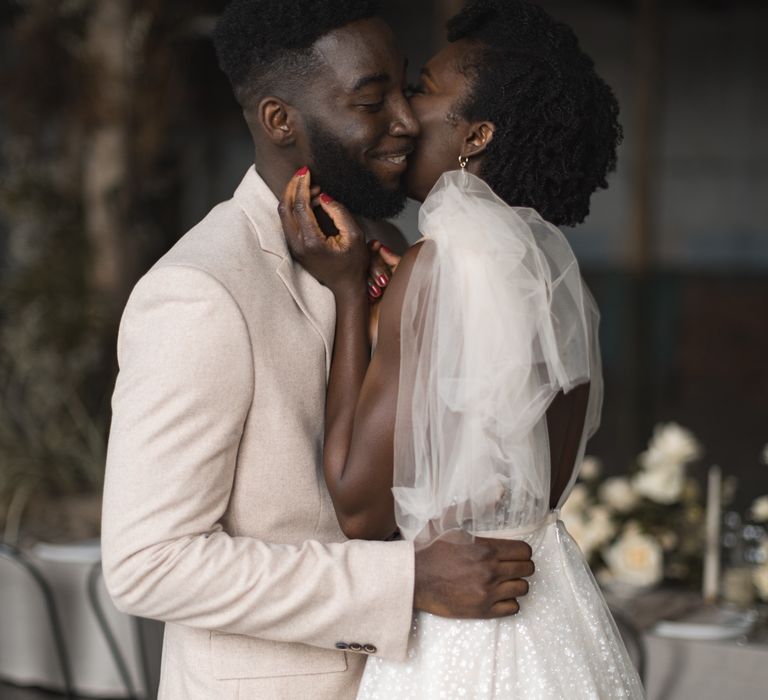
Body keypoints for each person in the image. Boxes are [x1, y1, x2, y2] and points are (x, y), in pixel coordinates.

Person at [100, 1, 535, 699]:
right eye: (372, 100)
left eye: (405, 87)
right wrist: (407, 580)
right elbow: (149, 563)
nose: (405, 118)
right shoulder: (200, 291)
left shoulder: (394, 252)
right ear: (280, 121)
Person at [279, 0, 645, 697]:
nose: (404, 116)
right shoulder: (549, 267)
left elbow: (359, 509)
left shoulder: (439, 263)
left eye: (422, 92)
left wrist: (353, 292)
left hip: (466, 634)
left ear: (476, 135)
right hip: (551, 612)